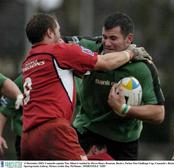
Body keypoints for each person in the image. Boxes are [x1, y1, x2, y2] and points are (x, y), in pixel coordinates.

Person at [20, 13, 142, 160]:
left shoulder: (28, 61)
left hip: (26, 138)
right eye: (58, 30)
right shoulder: (59, 51)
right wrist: (131, 52)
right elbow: (104, 63)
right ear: (49, 32)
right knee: (105, 160)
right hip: (54, 130)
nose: (60, 36)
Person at [73, 12, 165, 160]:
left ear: (129, 39)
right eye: (104, 37)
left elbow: (158, 113)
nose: (107, 43)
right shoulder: (91, 48)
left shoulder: (142, 67)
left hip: (123, 140)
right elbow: (58, 43)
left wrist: (124, 108)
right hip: (86, 129)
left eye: (113, 38)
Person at [0, 75, 23, 159]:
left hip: (56, 135)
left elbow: (4, 82)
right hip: (24, 137)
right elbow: (3, 110)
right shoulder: (22, 80)